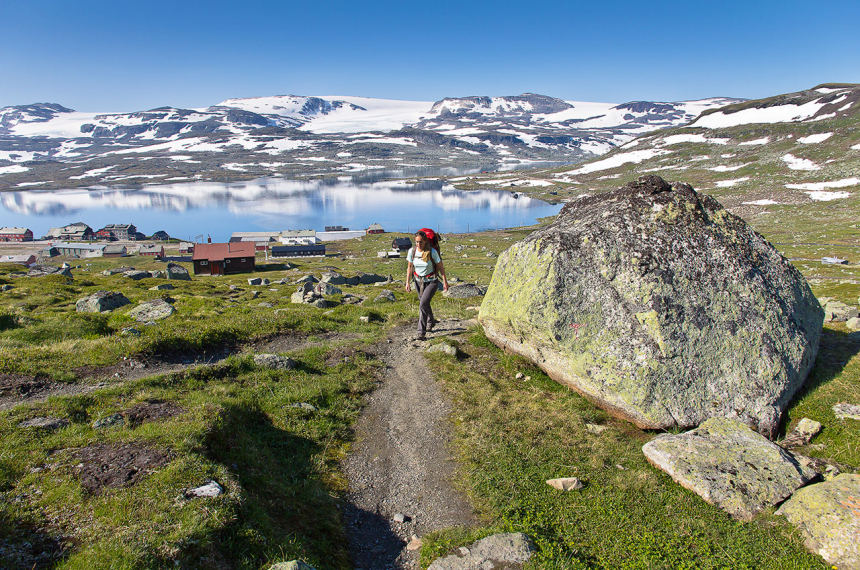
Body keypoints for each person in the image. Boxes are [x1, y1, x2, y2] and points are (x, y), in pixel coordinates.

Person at [405, 230, 448, 340]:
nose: (418, 244)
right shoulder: (412, 251)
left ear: (425, 241)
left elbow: (440, 267)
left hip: (432, 281)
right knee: (424, 303)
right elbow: (410, 267)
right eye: (416, 242)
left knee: (423, 303)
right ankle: (431, 321)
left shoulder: (432, 252)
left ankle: (421, 332)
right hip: (418, 281)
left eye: (420, 242)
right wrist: (407, 283)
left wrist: (445, 282)